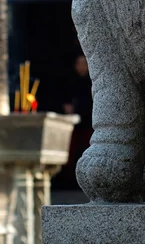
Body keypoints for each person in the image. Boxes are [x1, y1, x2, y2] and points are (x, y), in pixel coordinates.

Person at [60, 54, 93, 189]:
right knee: (70, 151)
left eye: (84, 63)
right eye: (79, 63)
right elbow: (65, 100)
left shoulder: (92, 82)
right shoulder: (70, 82)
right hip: (74, 123)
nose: (82, 66)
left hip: (89, 122)